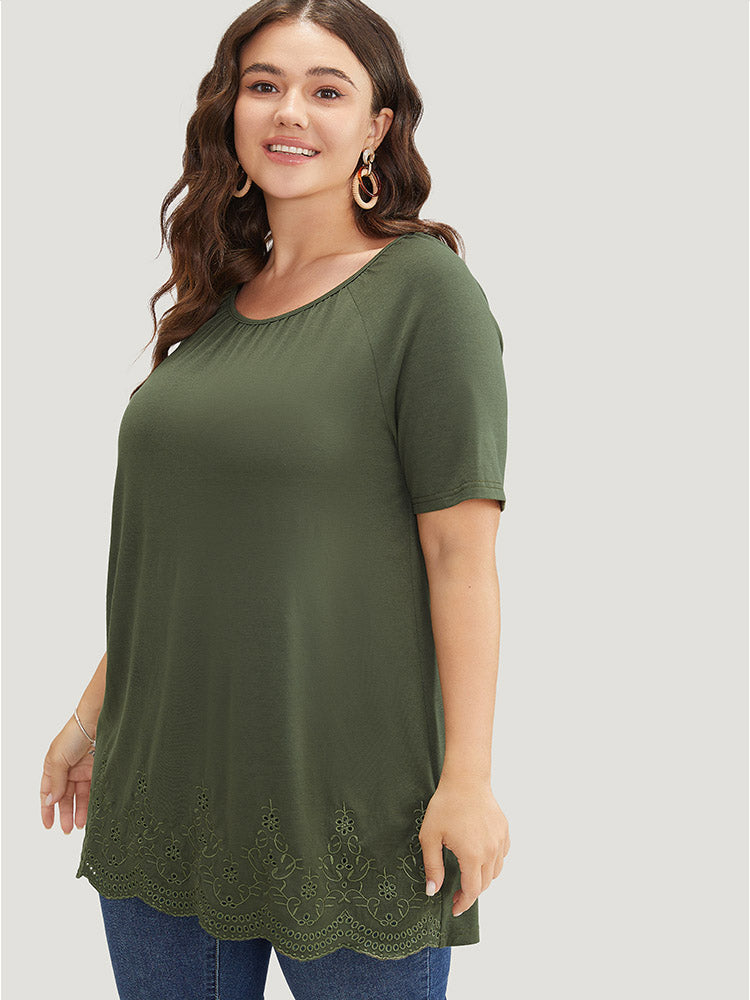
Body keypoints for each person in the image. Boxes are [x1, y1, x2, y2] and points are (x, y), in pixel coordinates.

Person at [39, 1, 511, 997]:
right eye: (264, 85)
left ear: (377, 125)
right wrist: (91, 715)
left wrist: (468, 779)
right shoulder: (215, 306)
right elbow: (201, 557)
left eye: (326, 89)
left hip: (349, 810)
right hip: (160, 790)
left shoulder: (425, 294)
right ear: (231, 109)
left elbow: (460, 557)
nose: (290, 110)